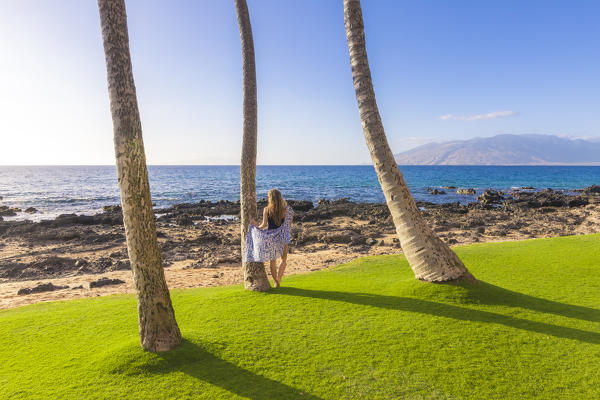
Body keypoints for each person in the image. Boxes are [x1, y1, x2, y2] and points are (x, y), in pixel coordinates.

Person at [252, 188, 293, 288]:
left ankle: (276, 282)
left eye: (268, 196)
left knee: (273, 261)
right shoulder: (287, 210)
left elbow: (263, 225)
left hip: (272, 238)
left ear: (271, 198)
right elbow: (289, 224)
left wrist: (255, 225)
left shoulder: (267, 209)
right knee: (283, 259)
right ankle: (278, 280)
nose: (267, 197)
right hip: (283, 237)